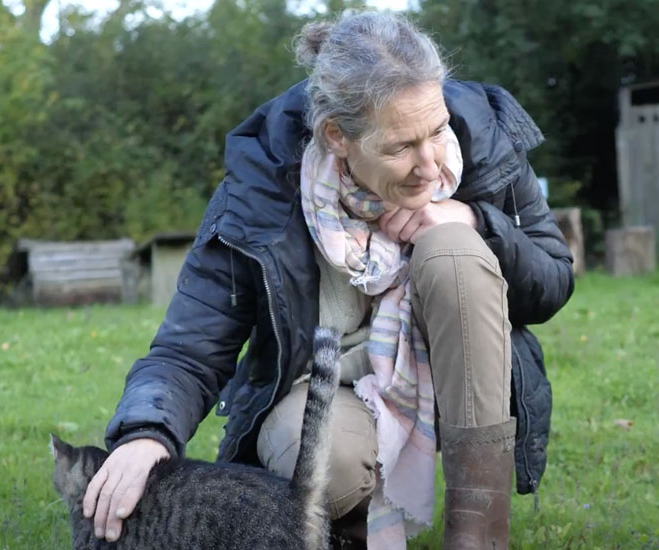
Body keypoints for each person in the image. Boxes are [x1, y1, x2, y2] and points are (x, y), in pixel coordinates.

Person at [79, 11, 574, 550]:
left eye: (437, 131)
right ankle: (348, 530)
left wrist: (479, 222)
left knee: (452, 249)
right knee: (313, 456)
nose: (431, 165)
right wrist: (145, 434)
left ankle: (478, 536)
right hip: (327, 390)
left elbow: (552, 281)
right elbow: (191, 343)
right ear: (336, 135)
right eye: (400, 146)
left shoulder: (483, 136)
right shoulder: (262, 187)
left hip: (462, 376)